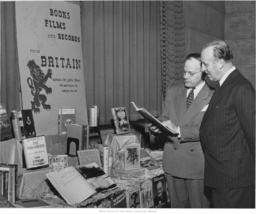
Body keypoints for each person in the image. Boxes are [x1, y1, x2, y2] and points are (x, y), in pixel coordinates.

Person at [149, 53, 213, 208]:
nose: (185, 76)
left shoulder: (214, 94)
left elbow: (210, 130)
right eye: (184, 71)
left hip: (198, 164)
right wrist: (158, 125)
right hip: (173, 160)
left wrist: (178, 130)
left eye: (191, 73)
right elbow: (165, 116)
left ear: (204, 72)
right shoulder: (173, 90)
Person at [200, 40, 255, 208]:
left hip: (234, 182)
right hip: (222, 176)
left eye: (205, 64)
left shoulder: (241, 88)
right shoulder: (224, 86)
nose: (203, 69)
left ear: (221, 63)